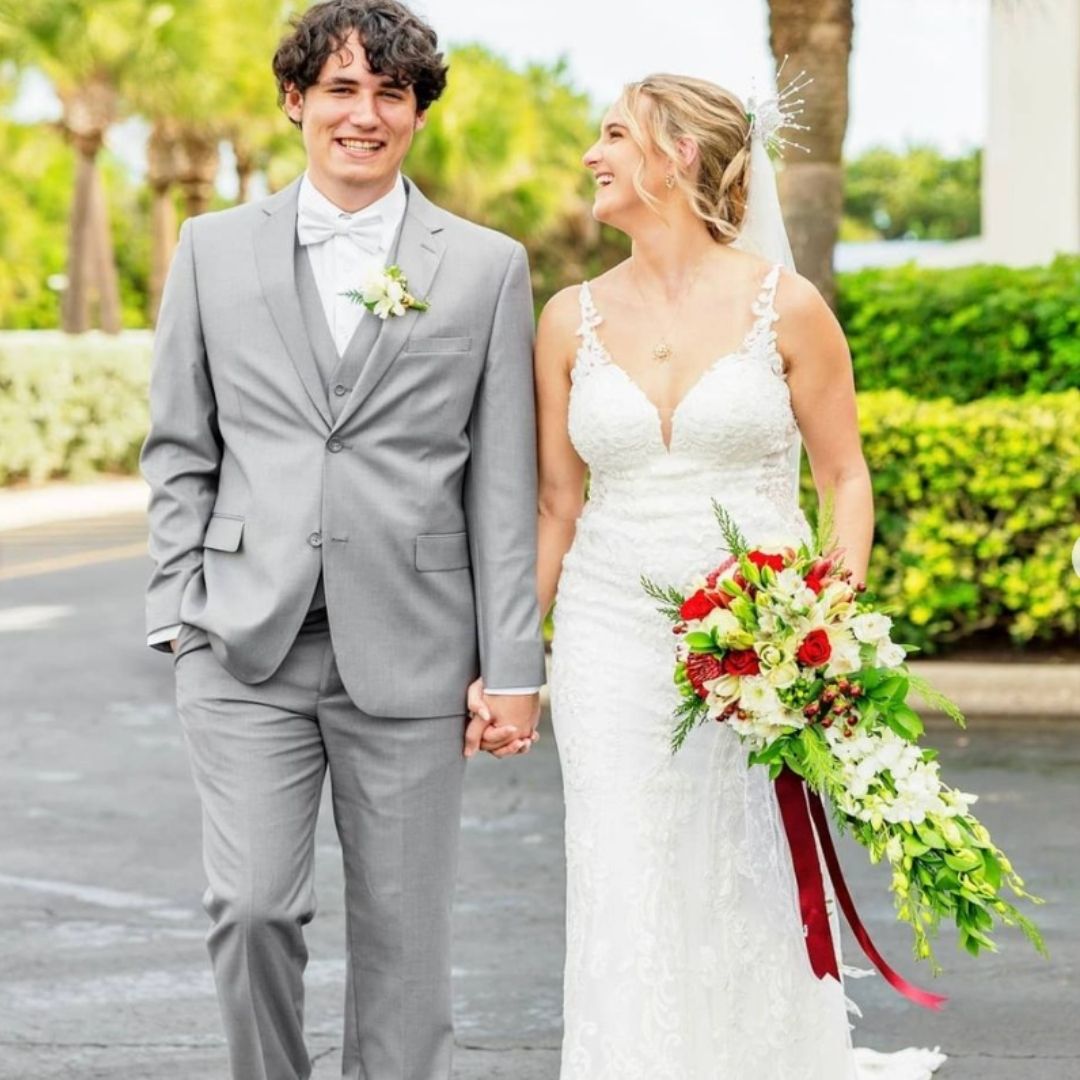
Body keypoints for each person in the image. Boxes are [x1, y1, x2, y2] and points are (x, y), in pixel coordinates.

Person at [140, 2, 544, 1077]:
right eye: (341, 90)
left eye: (390, 94)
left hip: (414, 647)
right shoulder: (210, 249)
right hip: (239, 642)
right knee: (251, 909)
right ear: (294, 102)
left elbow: (503, 483)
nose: (364, 115)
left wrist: (513, 665)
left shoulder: (488, 267)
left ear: (416, 114)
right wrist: (177, 610)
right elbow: (180, 443)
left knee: (407, 945)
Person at [532, 73, 947, 1078]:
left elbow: (846, 480)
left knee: (740, 872)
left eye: (614, 133)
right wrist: (506, 661)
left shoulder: (787, 307)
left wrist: (825, 626)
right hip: (606, 638)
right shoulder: (565, 319)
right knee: (626, 871)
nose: (593, 154)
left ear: (677, 156)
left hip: (754, 646)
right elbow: (557, 504)